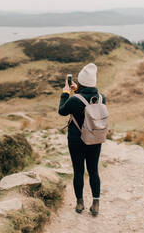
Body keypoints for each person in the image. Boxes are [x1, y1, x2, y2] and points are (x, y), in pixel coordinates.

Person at [58, 63, 106, 216]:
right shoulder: (101, 97)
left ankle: (80, 203)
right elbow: (87, 99)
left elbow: (62, 111)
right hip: (95, 139)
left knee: (78, 171)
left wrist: (66, 93)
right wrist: (78, 90)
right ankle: (96, 204)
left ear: (81, 82)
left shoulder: (74, 100)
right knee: (93, 171)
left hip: (76, 140)